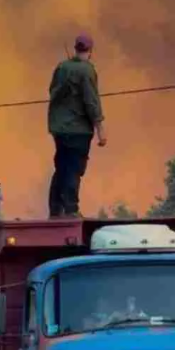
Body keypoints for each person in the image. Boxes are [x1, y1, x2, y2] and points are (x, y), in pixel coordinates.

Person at [47, 33, 107, 218]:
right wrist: (100, 129)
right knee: (74, 169)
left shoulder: (61, 68)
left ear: (75, 48)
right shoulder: (87, 70)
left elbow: (52, 92)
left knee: (61, 168)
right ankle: (72, 209)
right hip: (78, 130)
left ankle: (55, 210)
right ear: (90, 51)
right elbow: (91, 102)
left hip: (59, 129)